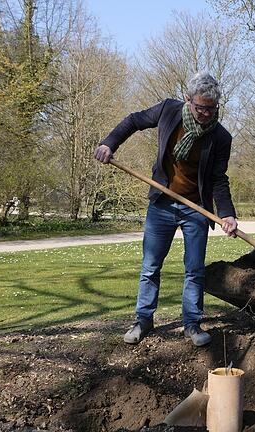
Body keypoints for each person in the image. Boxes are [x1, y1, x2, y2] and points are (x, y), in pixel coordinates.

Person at [94, 72, 238, 347]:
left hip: (196, 208)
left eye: (212, 108)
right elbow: (134, 121)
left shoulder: (221, 137)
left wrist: (227, 213)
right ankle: (143, 320)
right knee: (150, 267)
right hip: (161, 203)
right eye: (201, 108)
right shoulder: (168, 111)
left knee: (194, 270)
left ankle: (192, 325)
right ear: (188, 100)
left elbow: (219, 179)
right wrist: (109, 143)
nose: (207, 113)